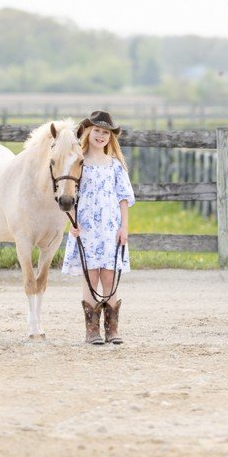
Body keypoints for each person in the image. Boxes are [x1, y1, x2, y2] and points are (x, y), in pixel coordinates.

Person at [61, 110, 135, 345]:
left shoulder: (115, 165)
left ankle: (112, 329)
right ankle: (92, 330)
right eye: (97, 131)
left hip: (110, 229)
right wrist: (72, 223)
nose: (101, 136)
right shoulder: (78, 163)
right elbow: (69, 195)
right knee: (90, 277)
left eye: (105, 132)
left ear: (110, 137)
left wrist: (124, 227)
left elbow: (123, 198)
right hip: (86, 228)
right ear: (88, 132)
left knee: (110, 276)